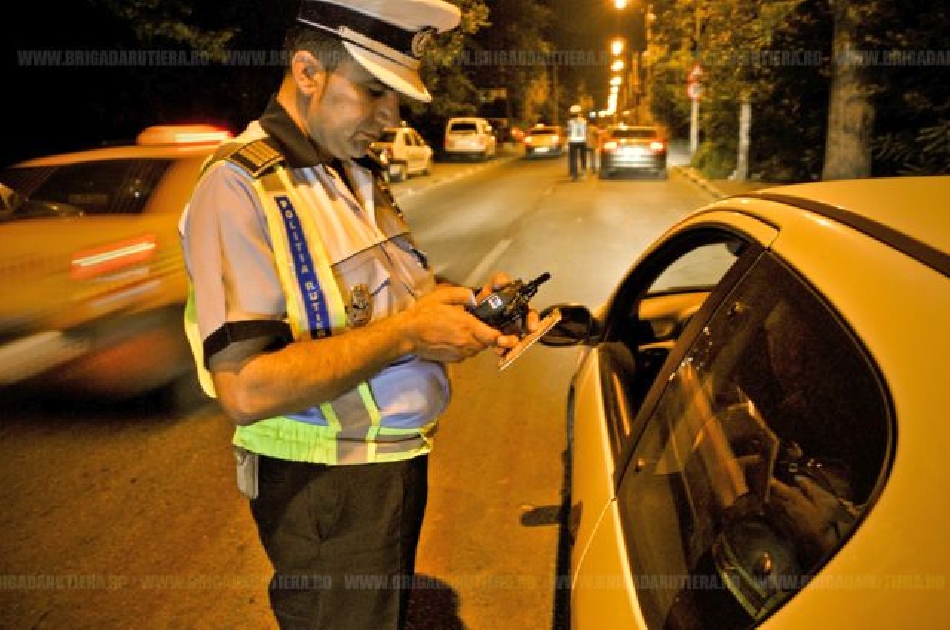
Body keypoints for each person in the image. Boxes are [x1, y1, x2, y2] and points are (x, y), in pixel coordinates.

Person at [178, 1, 538, 628]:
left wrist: (474, 308)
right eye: (373, 92)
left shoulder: (350, 171)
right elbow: (245, 387)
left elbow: (397, 298)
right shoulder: (237, 188)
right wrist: (408, 335)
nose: (391, 116)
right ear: (308, 71)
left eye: (395, 96)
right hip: (324, 490)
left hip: (384, 469)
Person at [566, 104, 587, 181]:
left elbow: (569, 132)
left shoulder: (570, 122)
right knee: (583, 157)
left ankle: (574, 175)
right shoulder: (584, 121)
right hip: (582, 140)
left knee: (573, 158)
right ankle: (583, 172)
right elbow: (585, 131)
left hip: (573, 141)